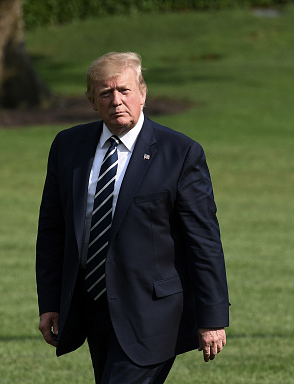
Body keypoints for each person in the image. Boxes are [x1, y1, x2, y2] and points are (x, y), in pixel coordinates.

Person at [36, 52, 229, 384]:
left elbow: (204, 241)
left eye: (124, 90)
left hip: (151, 314)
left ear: (143, 93)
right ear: (92, 100)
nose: (116, 101)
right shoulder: (68, 147)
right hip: (92, 307)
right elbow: (53, 231)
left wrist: (212, 318)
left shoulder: (179, 153)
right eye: (105, 93)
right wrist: (51, 302)